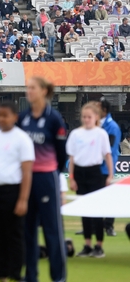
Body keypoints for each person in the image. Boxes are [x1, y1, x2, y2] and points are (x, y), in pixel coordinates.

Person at [0, 102, 34, 282]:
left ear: (14, 117)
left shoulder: (22, 138)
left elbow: (27, 171)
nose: (1, 119)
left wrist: (23, 199)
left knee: (14, 235)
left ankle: (16, 274)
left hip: (12, 191)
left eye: (5, 115)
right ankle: (0, 273)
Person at [19, 77, 68, 282]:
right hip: (26, 180)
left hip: (47, 178)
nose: (28, 91)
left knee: (52, 231)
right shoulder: (23, 118)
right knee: (27, 232)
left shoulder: (54, 118)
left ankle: (58, 278)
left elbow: (61, 154)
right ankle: (31, 277)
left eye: (32, 88)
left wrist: (52, 174)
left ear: (43, 91)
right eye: (27, 88)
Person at [67, 102, 113, 258]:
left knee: (97, 210)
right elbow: (72, 158)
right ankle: (87, 245)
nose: (86, 120)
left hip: (95, 173)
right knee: (84, 210)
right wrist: (72, 178)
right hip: (80, 173)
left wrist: (110, 176)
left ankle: (99, 245)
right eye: (84, 117)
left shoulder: (101, 134)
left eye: (89, 117)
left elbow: (108, 155)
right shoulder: (75, 134)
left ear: (96, 118)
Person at [99, 97, 121, 236]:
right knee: (93, 197)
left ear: (104, 110)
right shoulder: (96, 124)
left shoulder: (112, 127)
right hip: (95, 167)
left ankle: (109, 226)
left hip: (106, 167)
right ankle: (93, 226)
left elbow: (110, 149)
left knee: (108, 197)